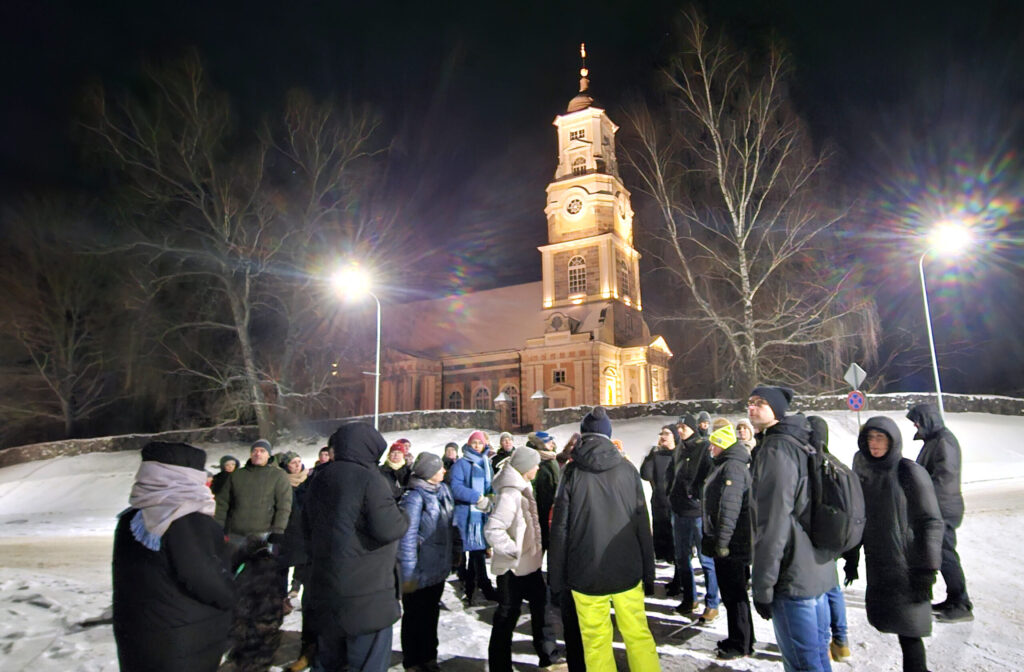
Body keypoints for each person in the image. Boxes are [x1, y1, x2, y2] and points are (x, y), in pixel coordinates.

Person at [549, 406, 660, 672]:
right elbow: (641, 522)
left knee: (595, 641)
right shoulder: (627, 469)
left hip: (585, 570)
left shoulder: (571, 472)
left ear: (584, 435)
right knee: (637, 634)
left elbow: (560, 529)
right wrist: (649, 571)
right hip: (627, 568)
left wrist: (555, 577)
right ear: (608, 435)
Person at [112, 441, 236, 672]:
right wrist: (237, 594)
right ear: (184, 475)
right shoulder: (184, 519)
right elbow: (206, 581)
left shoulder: (132, 516)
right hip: (181, 643)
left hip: (138, 635)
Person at [304, 422, 409, 672]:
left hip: (325, 588)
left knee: (328, 661)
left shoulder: (320, 478)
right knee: (367, 662)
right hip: (366, 594)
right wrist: (403, 514)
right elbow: (389, 528)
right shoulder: (370, 479)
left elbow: (305, 526)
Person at [747, 385, 836, 672]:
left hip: (792, 577)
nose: (751, 407)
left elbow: (772, 524)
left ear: (777, 411)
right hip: (815, 569)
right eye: (750, 402)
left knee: (803, 665)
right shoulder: (800, 441)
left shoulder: (776, 450)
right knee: (818, 658)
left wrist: (763, 586)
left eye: (760, 403)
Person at [846, 417, 944, 672]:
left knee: (911, 631)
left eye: (880, 437)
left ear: (893, 441)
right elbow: (859, 515)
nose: (874, 443)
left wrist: (927, 569)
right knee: (899, 625)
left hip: (908, 564)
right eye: (870, 437)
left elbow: (931, 521)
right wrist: (852, 554)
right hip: (879, 562)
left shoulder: (908, 471)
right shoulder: (864, 468)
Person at [485, 446, 563, 670]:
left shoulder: (523, 487)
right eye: (534, 465)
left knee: (542, 611)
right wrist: (513, 551)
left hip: (531, 566)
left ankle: (549, 657)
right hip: (513, 570)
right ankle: (500, 666)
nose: (537, 468)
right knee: (507, 617)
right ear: (524, 468)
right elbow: (493, 530)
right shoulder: (510, 495)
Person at [906, 402, 973, 622]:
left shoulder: (944, 441)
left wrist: (924, 499)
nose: (915, 425)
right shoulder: (935, 440)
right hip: (937, 507)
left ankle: (961, 603)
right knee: (940, 554)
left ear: (927, 419)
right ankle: (954, 598)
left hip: (942, 508)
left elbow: (944, 478)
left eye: (917, 421)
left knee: (945, 554)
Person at [702, 421, 755, 660]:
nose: (710, 448)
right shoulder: (726, 464)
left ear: (723, 445)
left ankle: (740, 642)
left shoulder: (732, 467)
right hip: (729, 540)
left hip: (732, 542)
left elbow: (729, 508)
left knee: (734, 593)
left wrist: (722, 543)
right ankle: (742, 638)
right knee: (733, 592)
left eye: (714, 444)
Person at [398, 452, 455, 672]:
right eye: (439, 468)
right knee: (414, 616)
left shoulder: (443, 491)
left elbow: (450, 526)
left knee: (431, 614)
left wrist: (456, 551)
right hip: (417, 570)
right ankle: (412, 661)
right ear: (429, 472)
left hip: (437, 567)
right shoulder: (414, 497)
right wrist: (408, 575)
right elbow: (407, 539)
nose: (444, 471)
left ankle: (429, 657)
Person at [806, 415, 852, 663]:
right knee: (832, 588)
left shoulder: (811, 462)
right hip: (833, 535)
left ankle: (823, 643)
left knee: (821, 592)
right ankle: (841, 641)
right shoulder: (833, 461)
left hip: (815, 536)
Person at [666, 413, 719, 620]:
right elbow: (672, 473)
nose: (680, 431)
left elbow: (709, 475)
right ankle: (690, 598)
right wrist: (671, 493)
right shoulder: (680, 448)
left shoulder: (703, 446)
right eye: (678, 427)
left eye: (683, 427)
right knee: (682, 558)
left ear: (692, 427)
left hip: (697, 511)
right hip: (679, 509)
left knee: (706, 560)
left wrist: (696, 494)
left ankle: (712, 603)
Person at [449, 430, 499, 604]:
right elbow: (455, 488)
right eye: (474, 443)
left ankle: (474, 587)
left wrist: (492, 497)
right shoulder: (461, 464)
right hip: (466, 515)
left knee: (477, 553)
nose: (477, 446)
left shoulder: (486, 462)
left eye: (480, 443)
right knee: (472, 553)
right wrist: (477, 497)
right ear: (469, 444)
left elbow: (490, 485)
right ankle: (476, 586)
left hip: (482, 514)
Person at [214, 439, 292, 545]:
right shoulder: (237, 475)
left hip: (263, 534)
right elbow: (222, 503)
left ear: (268, 455)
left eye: (262, 451)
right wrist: (218, 526)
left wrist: (279, 530)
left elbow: (284, 505)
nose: (258, 454)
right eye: (255, 451)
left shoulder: (278, 475)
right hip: (236, 534)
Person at [278, 452, 315, 672]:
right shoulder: (281, 481)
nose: (297, 465)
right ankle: (282, 598)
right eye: (293, 462)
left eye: (299, 462)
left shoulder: (308, 481)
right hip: (285, 531)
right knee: (281, 567)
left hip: (304, 532)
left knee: (303, 567)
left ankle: (296, 589)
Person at [640, 425, 677, 568]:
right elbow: (645, 475)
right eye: (661, 433)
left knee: (674, 533)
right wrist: (650, 456)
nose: (663, 436)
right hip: (659, 500)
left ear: (674, 436)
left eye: (667, 433)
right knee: (660, 530)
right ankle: (661, 556)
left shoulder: (679, 453)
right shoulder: (656, 455)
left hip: (675, 501)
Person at [526, 430, 560, 551]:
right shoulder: (533, 460)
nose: (552, 443)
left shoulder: (551, 458)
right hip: (538, 510)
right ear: (539, 444)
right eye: (548, 441)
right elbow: (531, 486)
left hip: (550, 509)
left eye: (552, 440)